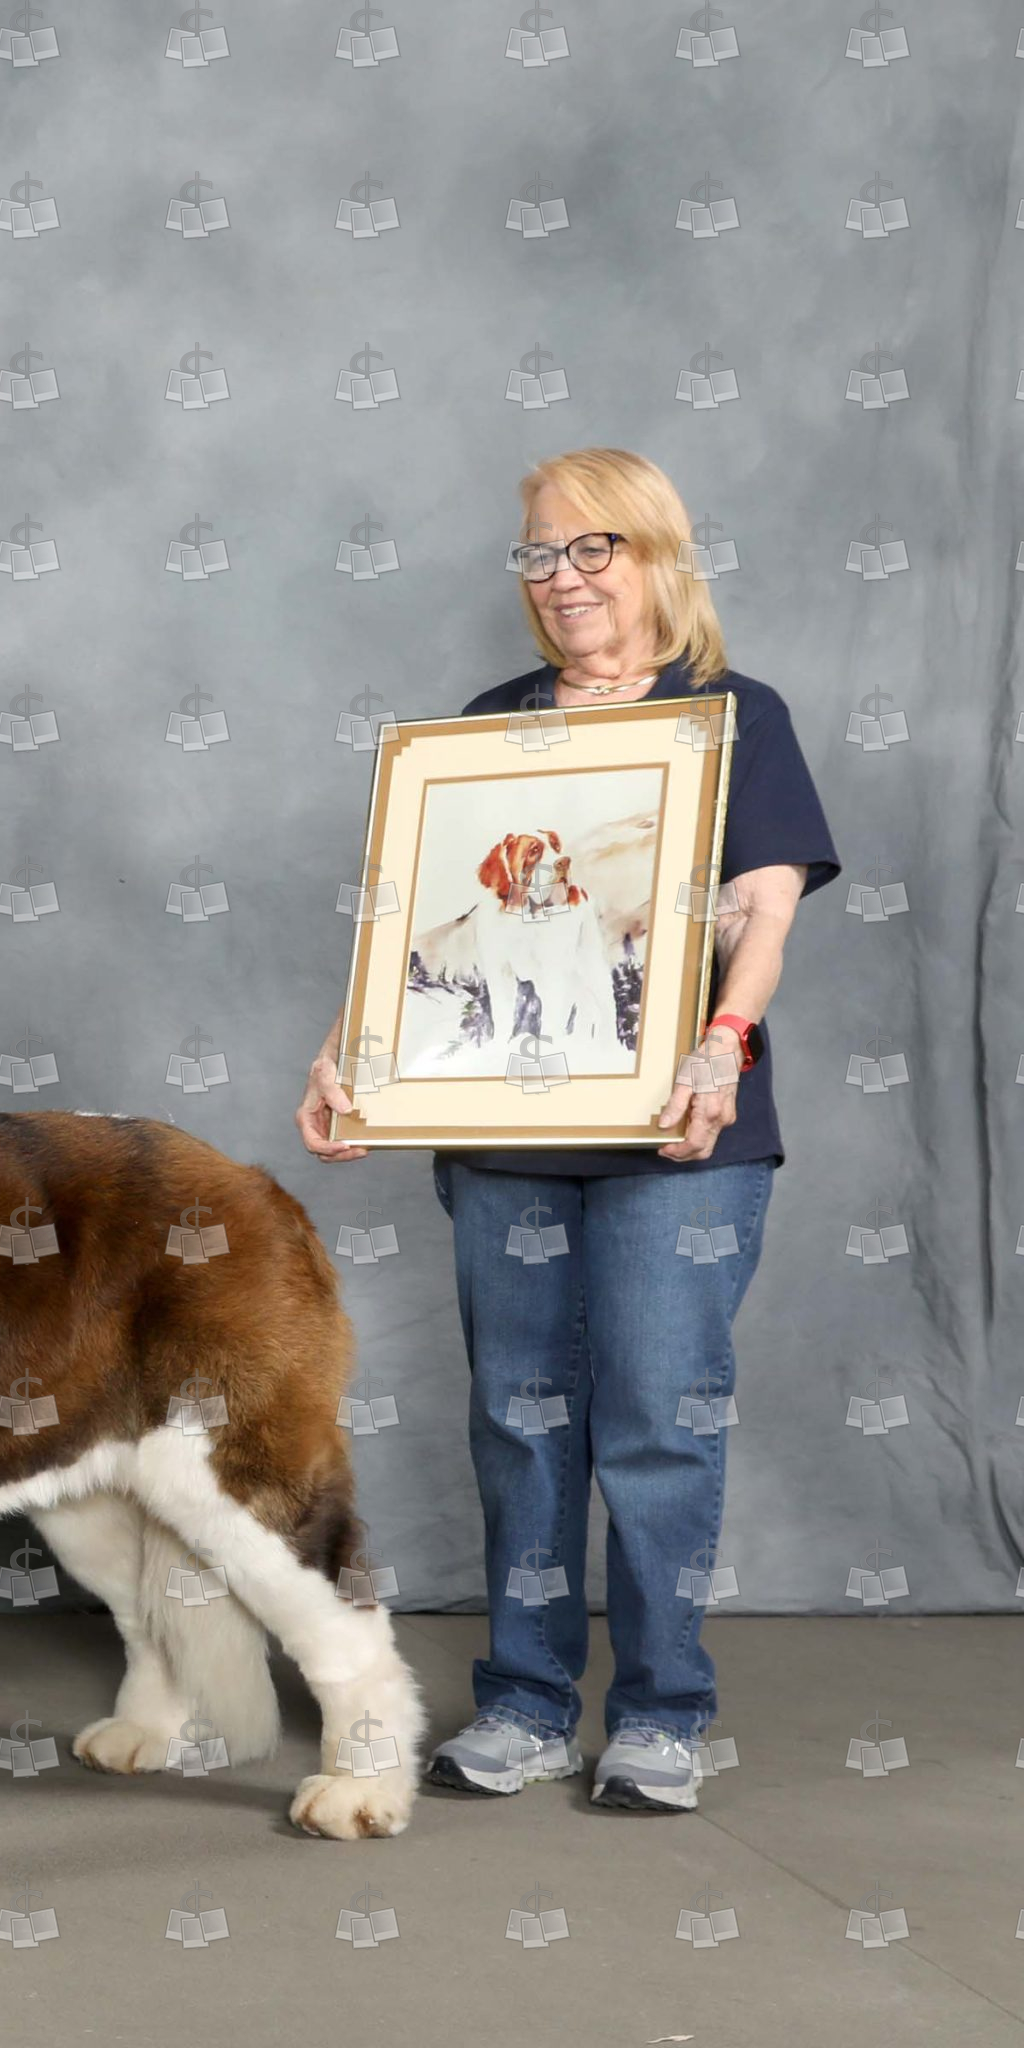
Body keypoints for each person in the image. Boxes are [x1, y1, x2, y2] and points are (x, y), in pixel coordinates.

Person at [294, 447, 838, 1812]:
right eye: (540, 552)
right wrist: (352, 1052)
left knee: (657, 1425)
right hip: (507, 1138)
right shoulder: (490, 725)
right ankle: (526, 1705)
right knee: (519, 1423)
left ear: (658, 555)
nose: (564, 577)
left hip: (682, 1130)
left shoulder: (735, 716)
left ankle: (661, 1713)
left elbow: (764, 910)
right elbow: (420, 926)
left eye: (595, 547)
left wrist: (724, 1040)